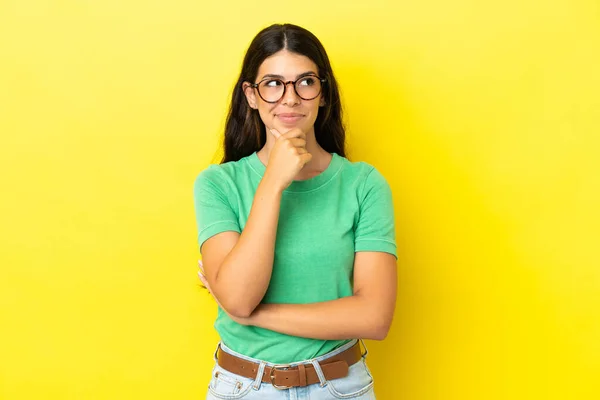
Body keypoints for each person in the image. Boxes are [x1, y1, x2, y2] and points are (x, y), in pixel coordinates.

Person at [193, 23, 397, 400]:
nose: (289, 99)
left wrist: (255, 316)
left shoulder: (363, 184)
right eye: (272, 83)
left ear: (323, 94)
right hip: (243, 388)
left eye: (305, 82)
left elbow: (374, 316)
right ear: (251, 96)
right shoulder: (218, 184)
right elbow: (238, 296)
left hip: (340, 387)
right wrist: (272, 184)